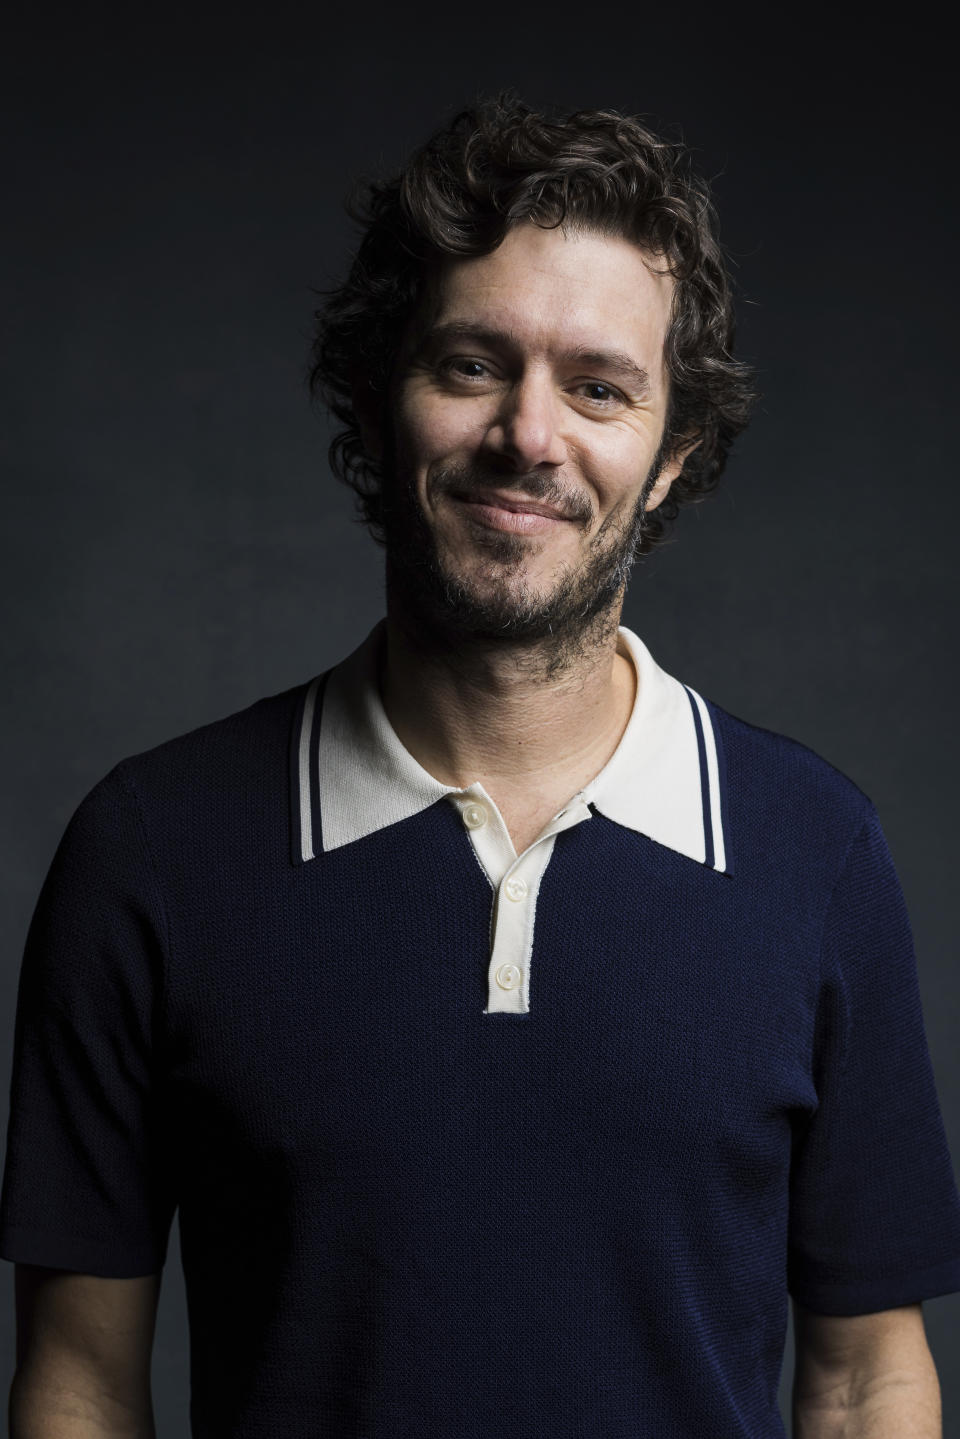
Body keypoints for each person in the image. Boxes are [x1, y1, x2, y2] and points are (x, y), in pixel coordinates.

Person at [2, 93, 959, 1439]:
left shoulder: (816, 854)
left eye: (599, 386)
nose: (529, 434)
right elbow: (80, 1383)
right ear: (379, 394)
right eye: (470, 365)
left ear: (673, 455)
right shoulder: (152, 850)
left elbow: (867, 1381)